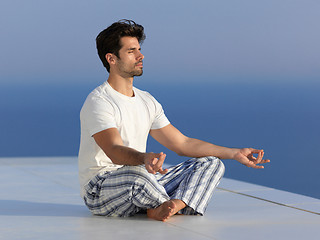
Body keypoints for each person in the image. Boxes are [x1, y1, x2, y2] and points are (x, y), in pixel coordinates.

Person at [78, 19, 270, 221]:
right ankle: (165, 203)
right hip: (102, 188)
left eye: (139, 49)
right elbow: (114, 151)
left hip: (144, 181)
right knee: (139, 176)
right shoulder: (99, 101)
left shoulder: (147, 100)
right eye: (131, 51)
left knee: (212, 164)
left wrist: (235, 153)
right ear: (111, 59)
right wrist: (144, 158)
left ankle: (169, 206)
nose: (140, 55)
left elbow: (182, 143)